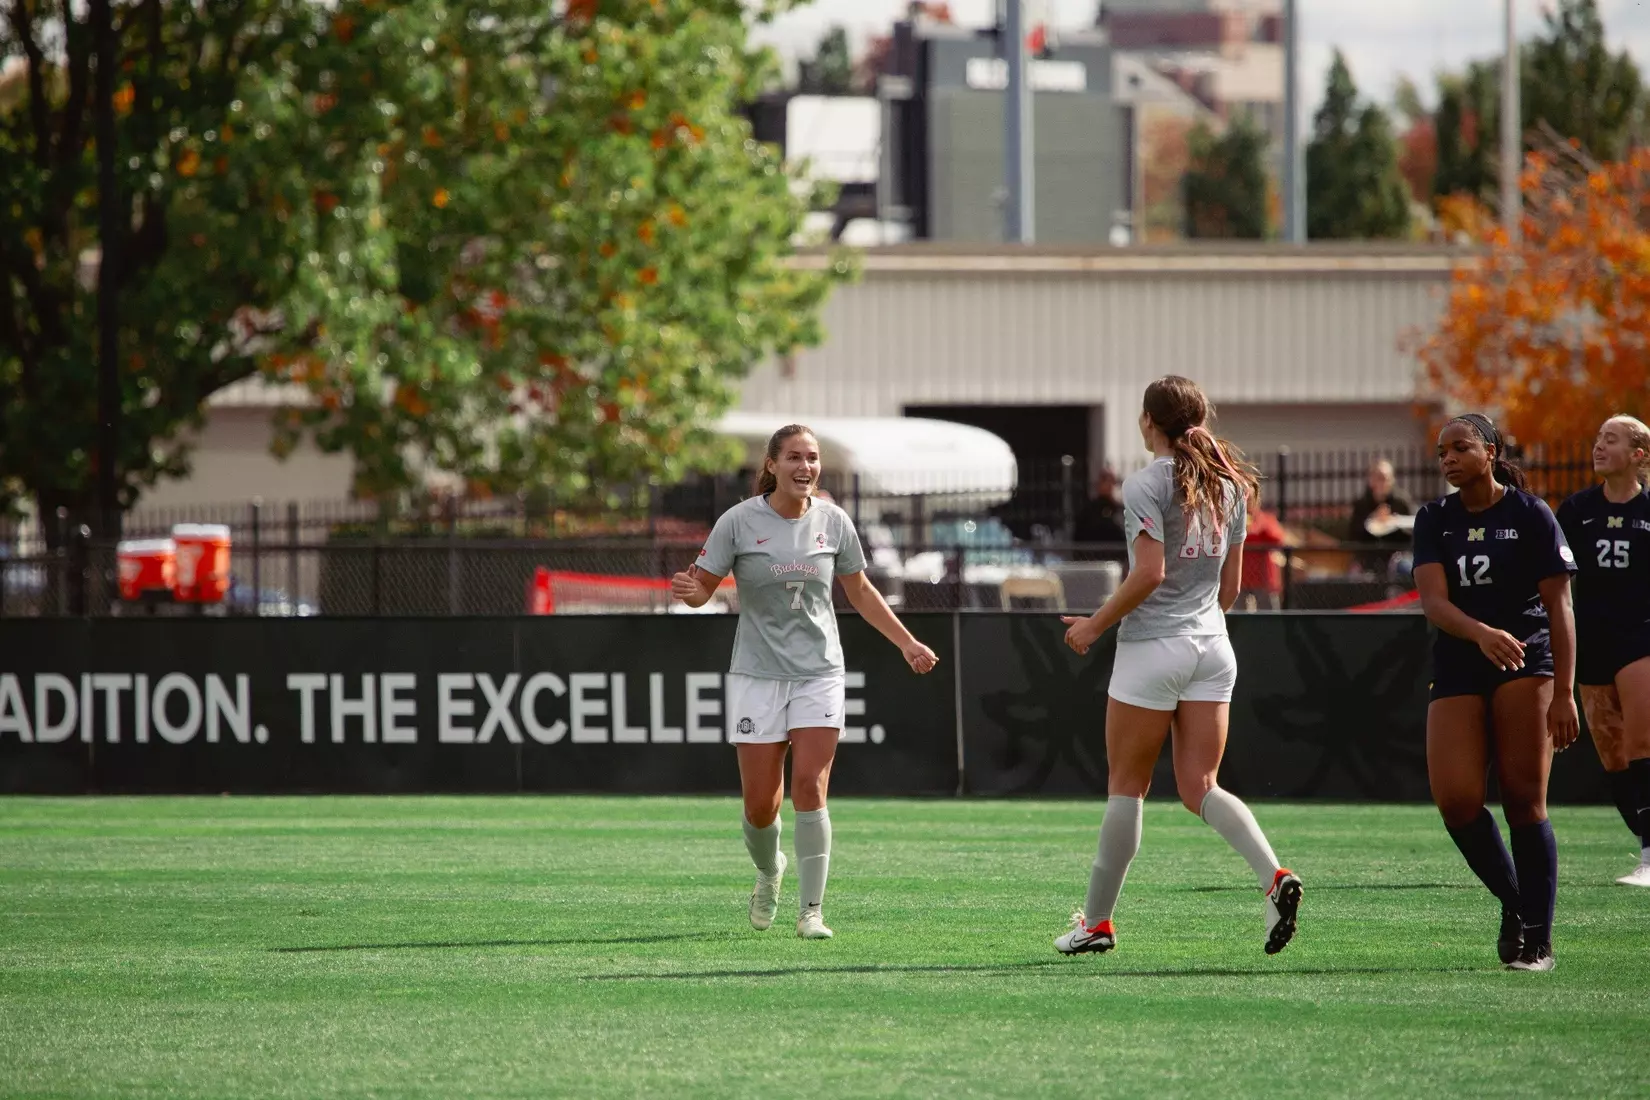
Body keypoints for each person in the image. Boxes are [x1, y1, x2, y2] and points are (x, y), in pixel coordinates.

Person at [1054, 375, 1302, 958]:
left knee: (1126, 788)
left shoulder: (1145, 483)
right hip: (1213, 647)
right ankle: (1273, 877)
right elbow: (1231, 588)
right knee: (1202, 787)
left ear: (1148, 422)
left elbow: (1148, 574)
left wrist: (1093, 625)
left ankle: (1097, 924)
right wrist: (1196, 628)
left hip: (1152, 649)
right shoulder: (1230, 486)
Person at [671, 424, 939, 940]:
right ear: (771, 464)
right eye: (794, 456)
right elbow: (702, 587)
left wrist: (906, 642)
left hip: (819, 672)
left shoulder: (834, 521)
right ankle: (770, 871)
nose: (805, 466)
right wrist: (691, 591)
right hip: (757, 675)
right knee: (759, 807)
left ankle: (811, 911)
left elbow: (859, 592)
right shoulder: (739, 521)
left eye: (812, 457)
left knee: (810, 788)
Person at [1411, 413, 1578, 972]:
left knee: (1524, 800)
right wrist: (1480, 633)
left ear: (1490, 450)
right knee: (1455, 799)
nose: (1448, 459)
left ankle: (1540, 939)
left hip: (1525, 660)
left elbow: (1560, 607)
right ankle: (1515, 904)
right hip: (1462, 658)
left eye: (1460, 447)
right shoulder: (1434, 517)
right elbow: (1433, 603)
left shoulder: (1530, 513)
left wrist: (1564, 693)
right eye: (1441, 452)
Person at [1556, 414, 1650, 887]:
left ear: (1638, 455)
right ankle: (1646, 843)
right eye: (1597, 437)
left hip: (1641, 638)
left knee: (1641, 743)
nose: (1598, 446)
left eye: (1610, 440)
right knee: (1613, 756)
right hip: (1592, 642)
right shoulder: (1576, 511)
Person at [1348, 458, 1416, 575]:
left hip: (1397, 555)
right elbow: (1353, 533)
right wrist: (1372, 519)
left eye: (1385, 478)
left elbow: (1415, 526)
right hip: (1368, 556)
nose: (1382, 483)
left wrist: (1394, 521)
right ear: (1370, 480)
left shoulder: (1401, 502)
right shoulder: (1361, 504)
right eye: (1377, 478)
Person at [1237, 485, 1295, 611]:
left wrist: (1254, 528)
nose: (1246, 502)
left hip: (1263, 577)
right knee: (1238, 614)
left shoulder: (1265, 518)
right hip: (1240, 577)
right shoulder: (1234, 519)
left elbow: (1277, 538)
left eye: (1249, 498)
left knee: (1268, 612)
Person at [1072, 466, 1127, 561]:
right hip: (1092, 559)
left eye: (1112, 481)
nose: (1109, 485)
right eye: (1105, 480)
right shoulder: (1089, 510)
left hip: (1117, 560)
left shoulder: (1120, 510)